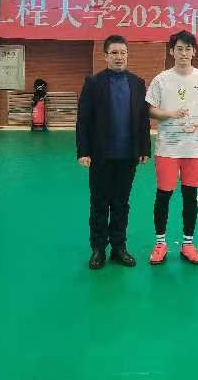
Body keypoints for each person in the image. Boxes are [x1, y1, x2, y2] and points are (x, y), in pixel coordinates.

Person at [76, 35, 151, 270]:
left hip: (128, 156)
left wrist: (144, 148)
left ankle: (119, 247)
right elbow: (83, 120)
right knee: (99, 203)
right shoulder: (93, 83)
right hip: (101, 155)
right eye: (115, 53)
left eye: (123, 53)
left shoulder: (137, 83)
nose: (119, 57)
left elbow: (143, 119)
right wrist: (83, 151)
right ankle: (98, 248)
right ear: (106, 56)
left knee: (121, 204)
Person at [146, 30, 198, 265]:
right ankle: (160, 243)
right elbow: (150, 109)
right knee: (163, 196)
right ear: (172, 51)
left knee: (190, 196)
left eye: (188, 49)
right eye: (179, 49)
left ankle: (188, 244)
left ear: (194, 52)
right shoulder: (161, 79)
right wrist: (169, 114)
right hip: (167, 148)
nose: (184, 53)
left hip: (194, 149)